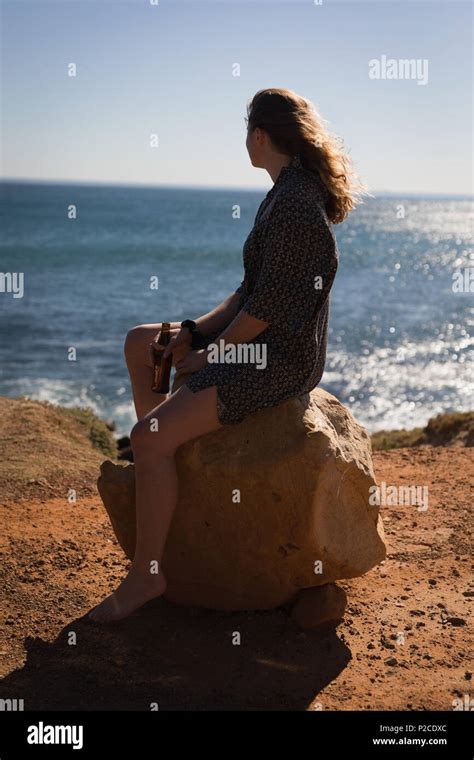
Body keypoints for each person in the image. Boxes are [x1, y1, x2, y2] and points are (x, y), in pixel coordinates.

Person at [88, 87, 364, 622]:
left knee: (146, 436)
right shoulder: (282, 192)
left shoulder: (296, 206)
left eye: (246, 133)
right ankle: (167, 459)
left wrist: (212, 357)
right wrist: (193, 332)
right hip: (254, 339)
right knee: (142, 342)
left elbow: (264, 313)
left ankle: (148, 572)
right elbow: (245, 294)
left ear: (260, 136)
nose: (244, 142)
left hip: (278, 359)